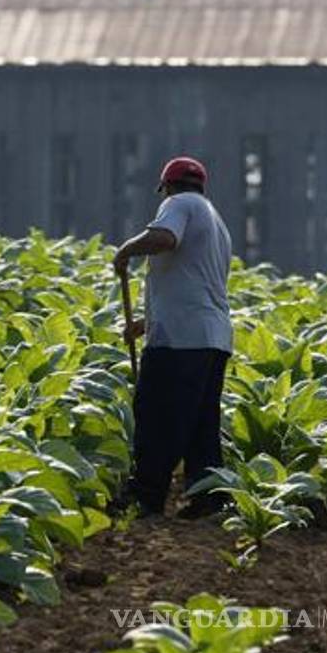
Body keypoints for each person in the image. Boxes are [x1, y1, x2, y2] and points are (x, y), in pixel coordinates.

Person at [113, 156, 233, 519]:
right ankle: (208, 497)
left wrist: (126, 250)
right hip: (212, 338)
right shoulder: (215, 220)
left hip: (179, 342)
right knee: (200, 424)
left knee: (156, 415)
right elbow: (193, 285)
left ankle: (145, 496)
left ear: (167, 187)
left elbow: (164, 238)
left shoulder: (178, 205)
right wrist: (146, 324)